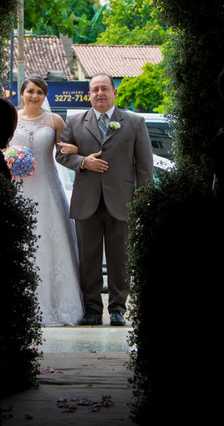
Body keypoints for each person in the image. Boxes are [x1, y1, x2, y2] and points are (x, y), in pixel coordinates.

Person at [56, 74, 154, 326]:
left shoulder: (134, 122)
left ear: (114, 93)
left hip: (122, 201)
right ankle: (92, 309)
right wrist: (83, 161)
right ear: (88, 94)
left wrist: (143, 201)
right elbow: (61, 153)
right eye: (94, 90)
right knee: (88, 259)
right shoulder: (75, 121)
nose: (99, 93)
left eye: (104, 89)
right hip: (86, 201)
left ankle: (119, 308)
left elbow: (144, 167)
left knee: (120, 257)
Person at [9, 77, 83, 327]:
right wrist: (9, 159)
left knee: (51, 242)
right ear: (22, 93)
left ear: (45, 95)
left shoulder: (54, 121)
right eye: (30, 91)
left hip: (47, 189)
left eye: (40, 92)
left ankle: (57, 306)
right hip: (18, 189)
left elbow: (64, 151)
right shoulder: (13, 118)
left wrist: (74, 151)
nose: (35, 96)